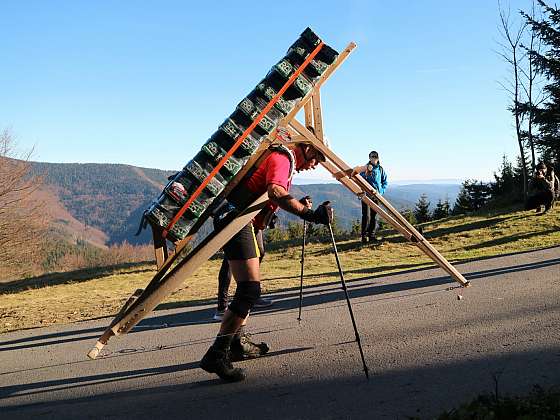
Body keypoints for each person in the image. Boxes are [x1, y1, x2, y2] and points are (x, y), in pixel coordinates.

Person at [200, 129, 332, 382]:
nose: (315, 165)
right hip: (237, 220)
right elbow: (275, 192)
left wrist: (300, 205)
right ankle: (217, 353)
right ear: (307, 148)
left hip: (243, 219)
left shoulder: (284, 158)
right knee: (249, 290)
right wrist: (311, 215)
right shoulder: (283, 158)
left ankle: (237, 342)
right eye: (317, 158)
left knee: (246, 290)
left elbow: (273, 194)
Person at [352, 151, 388, 243]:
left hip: (376, 196)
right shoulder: (364, 168)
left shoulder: (380, 169)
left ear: (378, 158)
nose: (373, 158)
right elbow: (359, 179)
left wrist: (381, 191)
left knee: (374, 216)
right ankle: (364, 237)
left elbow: (385, 182)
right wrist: (367, 172)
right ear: (369, 158)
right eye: (372, 157)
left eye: (375, 157)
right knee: (366, 216)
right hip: (365, 195)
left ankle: (371, 235)